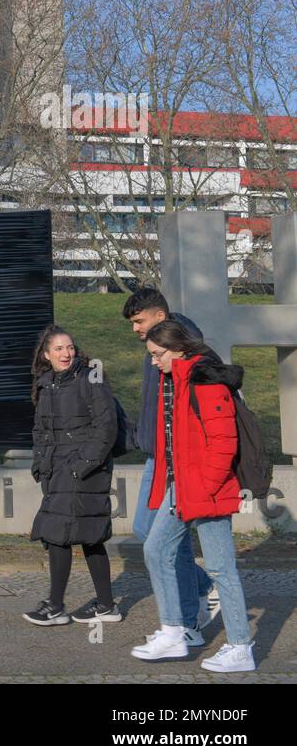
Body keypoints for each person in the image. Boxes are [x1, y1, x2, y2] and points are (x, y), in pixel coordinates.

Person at [132, 319, 255, 672]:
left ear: (178, 348)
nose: (154, 362)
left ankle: (241, 647)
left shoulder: (205, 379)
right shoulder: (176, 379)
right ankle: (175, 630)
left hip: (207, 490)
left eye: (157, 355)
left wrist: (203, 487)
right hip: (182, 487)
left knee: (221, 568)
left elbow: (224, 442)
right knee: (155, 548)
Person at [123, 286, 216, 643]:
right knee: (147, 532)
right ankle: (204, 584)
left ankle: (187, 621)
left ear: (160, 316)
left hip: (175, 460)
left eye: (138, 321)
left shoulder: (180, 347)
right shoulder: (157, 349)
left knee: (163, 539)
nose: (135, 329)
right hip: (155, 456)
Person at [23, 325, 121, 626]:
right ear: (46, 354)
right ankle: (105, 605)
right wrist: (40, 464)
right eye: (59, 349)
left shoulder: (90, 377)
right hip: (57, 470)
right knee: (85, 536)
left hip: (84, 470)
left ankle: (55, 605)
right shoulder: (46, 383)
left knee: (61, 535)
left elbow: (106, 427)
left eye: (70, 347)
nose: (66, 353)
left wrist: (82, 464)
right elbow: (41, 430)